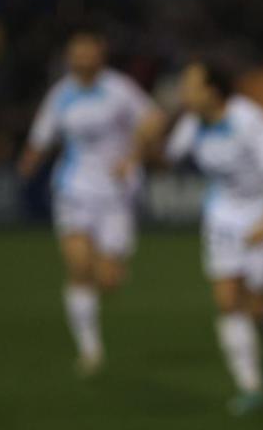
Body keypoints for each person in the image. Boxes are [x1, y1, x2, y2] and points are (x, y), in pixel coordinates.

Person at [18, 23, 163, 377]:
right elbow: (42, 136)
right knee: (78, 268)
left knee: (108, 280)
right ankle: (90, 349)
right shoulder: (61, 94)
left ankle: (110, 275)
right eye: (76, 51)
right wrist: (27, 163)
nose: (82, 58)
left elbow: (153, 119)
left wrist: (135, 155)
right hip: (73, 188)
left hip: (115, 194)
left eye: (88, 51)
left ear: (101, 53)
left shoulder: (119, 89)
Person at [163, 59, 263, 415]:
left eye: (190, 85)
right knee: (227, 302)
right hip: (222, 217)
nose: (184, 92)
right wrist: (146, 138)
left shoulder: (249, 120)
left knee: (255, 306)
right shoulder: (192, 125)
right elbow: (164, 160)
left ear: (212, 90)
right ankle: (250, 386)